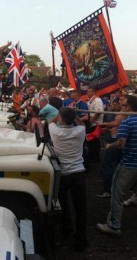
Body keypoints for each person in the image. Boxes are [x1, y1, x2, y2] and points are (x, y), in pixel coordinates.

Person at [97, 95, 137, 235]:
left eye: (123, 105)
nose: (121, 107)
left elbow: (121, 143)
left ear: (128, 107)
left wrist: (110, 145)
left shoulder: (127, 122)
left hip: (130, 164)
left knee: (117, 193)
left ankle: (114, 226)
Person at [48, 107, 88, 252]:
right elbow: (82, 125)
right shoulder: (80, 131)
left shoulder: (55, 131)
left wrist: (61, 113)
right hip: (78, 173)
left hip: (63, 174)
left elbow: (51, 121)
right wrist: (75, 114)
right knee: (80, 209)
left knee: (63, 203)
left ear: (61, 119)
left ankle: (67, 229)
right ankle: (81, 240)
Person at [96, 97, 126, 198]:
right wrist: (107, 130)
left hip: (116, 141)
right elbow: (117, 127)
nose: (118, 103)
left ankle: (108, 190)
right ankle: (119, 189)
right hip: (119, 140)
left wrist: (102, 124)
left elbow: (115, 123)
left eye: (121, 101)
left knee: (108, 165)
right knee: (119, 166)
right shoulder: (123, 113)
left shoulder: (123, 113)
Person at [86, 85, 104, 162]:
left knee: (95, 141)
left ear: (94, 92)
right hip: (93, 123)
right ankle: (92, 156)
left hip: (96, 124)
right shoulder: (92, 100)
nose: (87, 93)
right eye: (87, 91)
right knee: (91, 141)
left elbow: (98, 112)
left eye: (89, 91)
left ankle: (95, 157)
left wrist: (91, 121)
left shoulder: (97, 101)